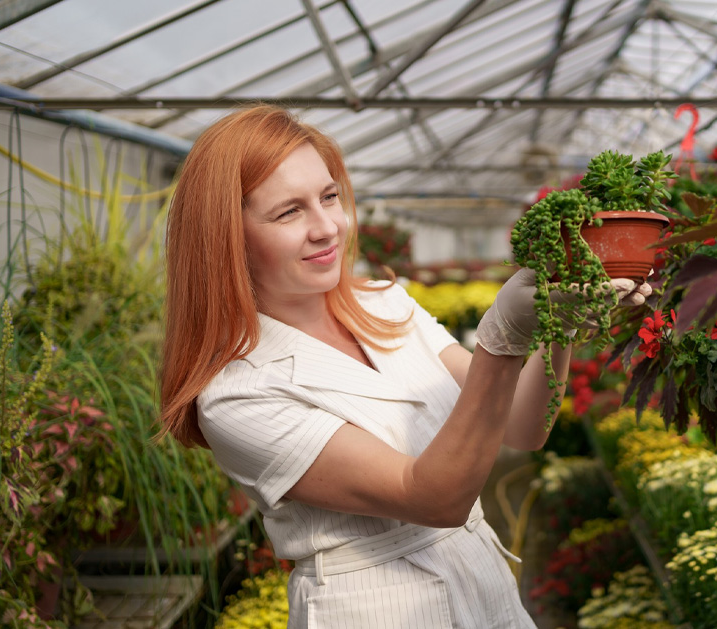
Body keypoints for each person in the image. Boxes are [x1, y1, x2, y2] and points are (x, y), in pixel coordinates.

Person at [157, 105, 651, 628]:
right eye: (289, 212)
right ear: (225, 237)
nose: (327, 228)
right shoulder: (238, 393)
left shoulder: (385, 305)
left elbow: (524, 426)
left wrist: (559, 326)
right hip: (377, 606)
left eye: (329, 197)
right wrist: (503, 338)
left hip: (483, 583)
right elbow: (434, 498)